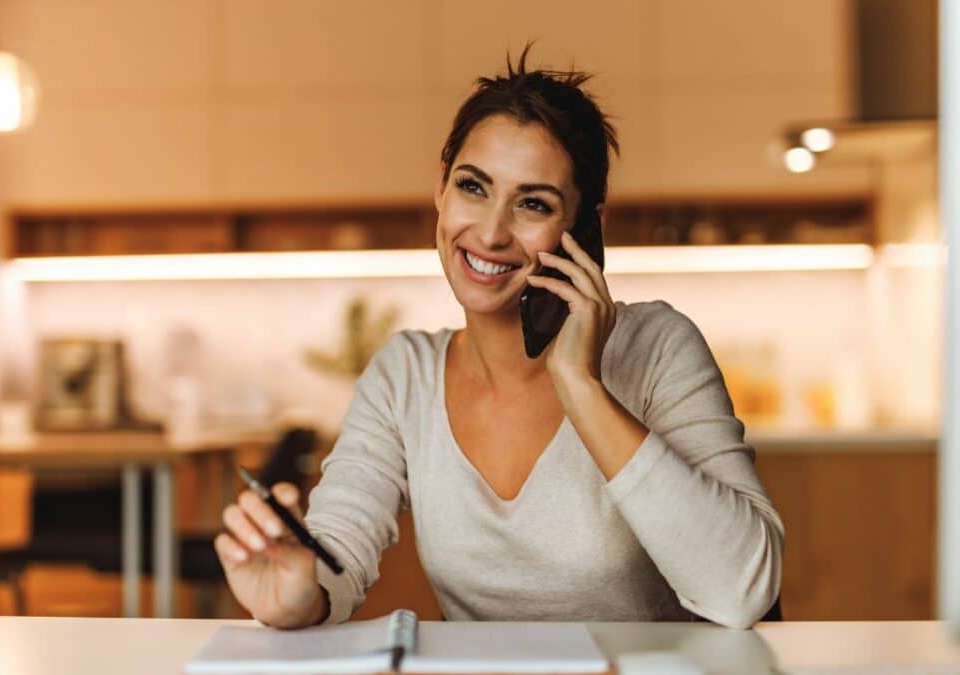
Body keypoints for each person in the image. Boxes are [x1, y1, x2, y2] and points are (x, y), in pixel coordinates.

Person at [214, 47, 784, 630]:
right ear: (441, 188)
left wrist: (581, 385)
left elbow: (741, 590)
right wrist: (294, 596)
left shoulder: (658, 348)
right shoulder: (404, 377)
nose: (490, 231)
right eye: (473, 186)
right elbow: (337, 556)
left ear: (584, 228)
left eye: (533, 203)